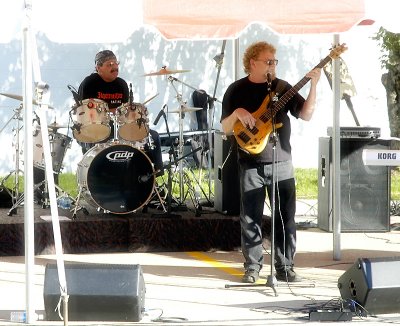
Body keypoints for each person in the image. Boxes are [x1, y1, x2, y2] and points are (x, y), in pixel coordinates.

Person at [221, 41, 321, 283]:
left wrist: (314, 85)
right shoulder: (235, 90)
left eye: (274, 62)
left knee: (285, 216)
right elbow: (225, 129)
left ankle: (285, 267)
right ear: (252, 63)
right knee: (250, 217)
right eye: (268, 61)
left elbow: (306, 114)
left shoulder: (282, 88)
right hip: (249, 162)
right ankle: (252, 268)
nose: (272, 66)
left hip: (282, 161)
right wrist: (237, 114)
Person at [76, 50, 163, 175]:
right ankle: (96, 178)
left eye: (116, 63)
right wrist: (112, 111)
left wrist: (135, 112)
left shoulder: (121, 84)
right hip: (95, 129)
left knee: (153, 136)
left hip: (119, 127)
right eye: (109, 64)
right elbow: (84, 112)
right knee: (97, 142)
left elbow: (125, 111)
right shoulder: (90, 83)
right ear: (98, 68)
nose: (114, 67)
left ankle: (151, 178)